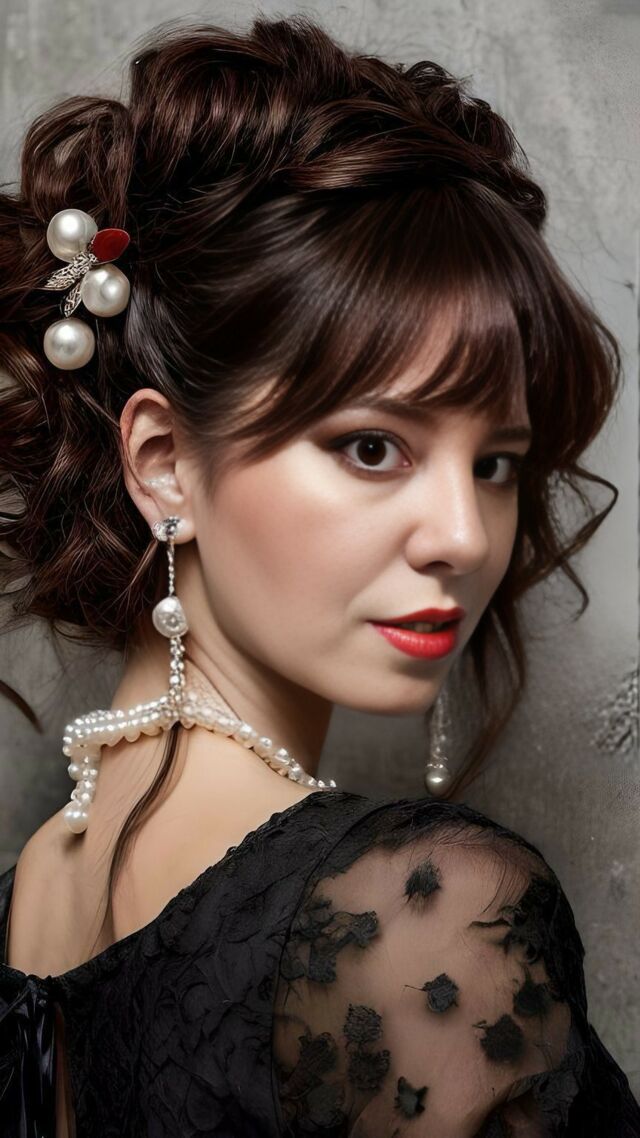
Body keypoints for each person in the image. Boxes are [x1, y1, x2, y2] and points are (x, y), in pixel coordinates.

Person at [0, 13, 637, 1138]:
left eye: (495, 462)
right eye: (373, 447)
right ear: (166, 463)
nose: (464, 536)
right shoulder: (421, 919)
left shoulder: (26, 890)